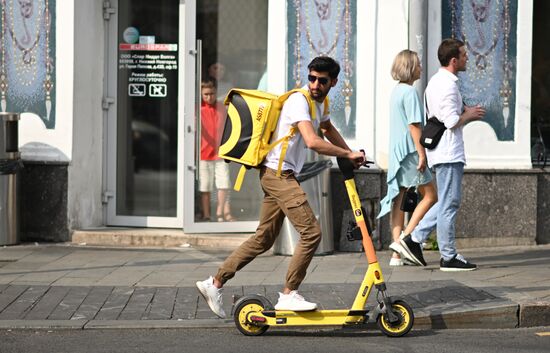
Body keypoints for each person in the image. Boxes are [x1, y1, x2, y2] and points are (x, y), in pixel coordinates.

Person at [196, 56, 366, 318]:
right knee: (311, 233)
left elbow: (327, 128)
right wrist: (347, 154)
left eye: (322, 80)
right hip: (279, 175)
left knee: (263, 238)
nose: (315, 84)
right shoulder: (300, 100)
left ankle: (214, 283)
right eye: (311, 78)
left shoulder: (322, 103)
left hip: (278, 174)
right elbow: (312, 141)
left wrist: (349, 152)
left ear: (333, 82)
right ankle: (288, 295)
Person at [391, 39, 485, 271]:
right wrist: (469, 114)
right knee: (449, 204)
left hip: (440, 151)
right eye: (464, 55)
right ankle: (447, 256)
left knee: (444, 202)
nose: (467, 58)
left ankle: (412, 239)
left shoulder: (435, 81)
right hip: (448, 152)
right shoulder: (448, 85)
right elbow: (451, 121)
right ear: (454, 60)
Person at [377, 50, 438, 267]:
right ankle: (405, 239)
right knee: (431, 195)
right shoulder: (410, 92)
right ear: (411, 67)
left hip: (397, 154)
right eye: (419, 64)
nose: (421, 67)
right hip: (410, 153)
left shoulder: (396, 91)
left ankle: (396, 253)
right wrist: (422, 153)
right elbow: (414, 126)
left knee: (400, 201)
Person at [198, 78, 235, 222]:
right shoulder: (198, 109)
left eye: (212, 94)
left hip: (221, 152)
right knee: (205, 186)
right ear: (201, 94)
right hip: (203, 153)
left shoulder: (221, 107)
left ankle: (220, 211)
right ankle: (207, 214)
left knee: (224, 183)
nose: (209, 97)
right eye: (205, 94)